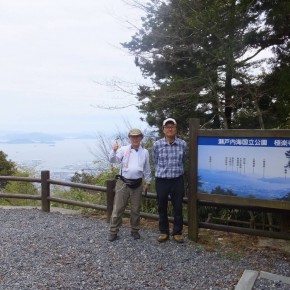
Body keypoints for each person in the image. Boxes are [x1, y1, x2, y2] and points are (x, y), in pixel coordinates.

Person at [108, 128, 151, 242]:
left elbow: (147, 168)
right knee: (118, 208)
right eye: (133, 136)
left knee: (136, 209)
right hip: (123, 182)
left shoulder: (145, 152)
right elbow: (113, 160)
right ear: (129, 138)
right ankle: (113, 231)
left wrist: (148, 181)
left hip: (137, 183)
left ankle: (135, 230)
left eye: (137, 136)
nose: (135, 139)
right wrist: (114, 150)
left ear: (141, 138)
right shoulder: (123, 149)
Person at [153, 118, 187, 243]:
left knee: (178, 206)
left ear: (176, 129)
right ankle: (164, 232)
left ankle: (177, 232)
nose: (170, 129)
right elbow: (155, 160)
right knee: (162, 206)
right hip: (162, 180)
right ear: (163, 130)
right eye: (167, 127)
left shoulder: (182, 144)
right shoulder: (157, 144)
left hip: (177, 179)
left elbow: (184, 160)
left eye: (172, 126)